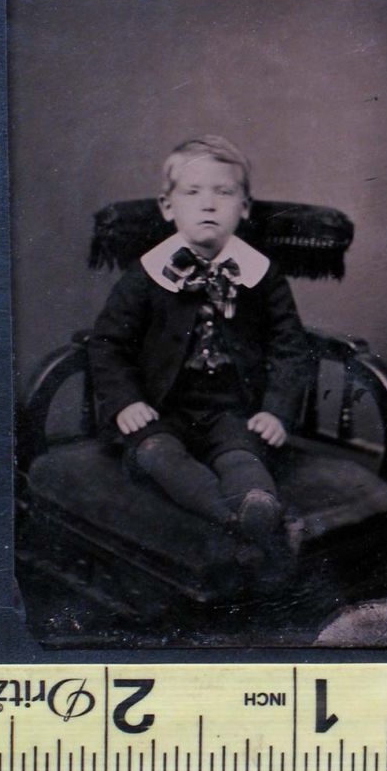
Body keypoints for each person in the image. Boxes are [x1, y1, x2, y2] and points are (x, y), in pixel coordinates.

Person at [89, 135, 310, 570]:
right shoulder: (147, 274)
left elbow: (290, 347)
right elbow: (108, 344)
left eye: (223, 192)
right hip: (160, 408)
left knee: (243, 456)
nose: (208, 204)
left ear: (243, 207)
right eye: (193, 192)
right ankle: (247, 524)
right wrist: (126, 401)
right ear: (168, 206)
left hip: (232, 409)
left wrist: (277, 410)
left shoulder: (261, 275)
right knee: (156, 454)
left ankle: (257, 504)